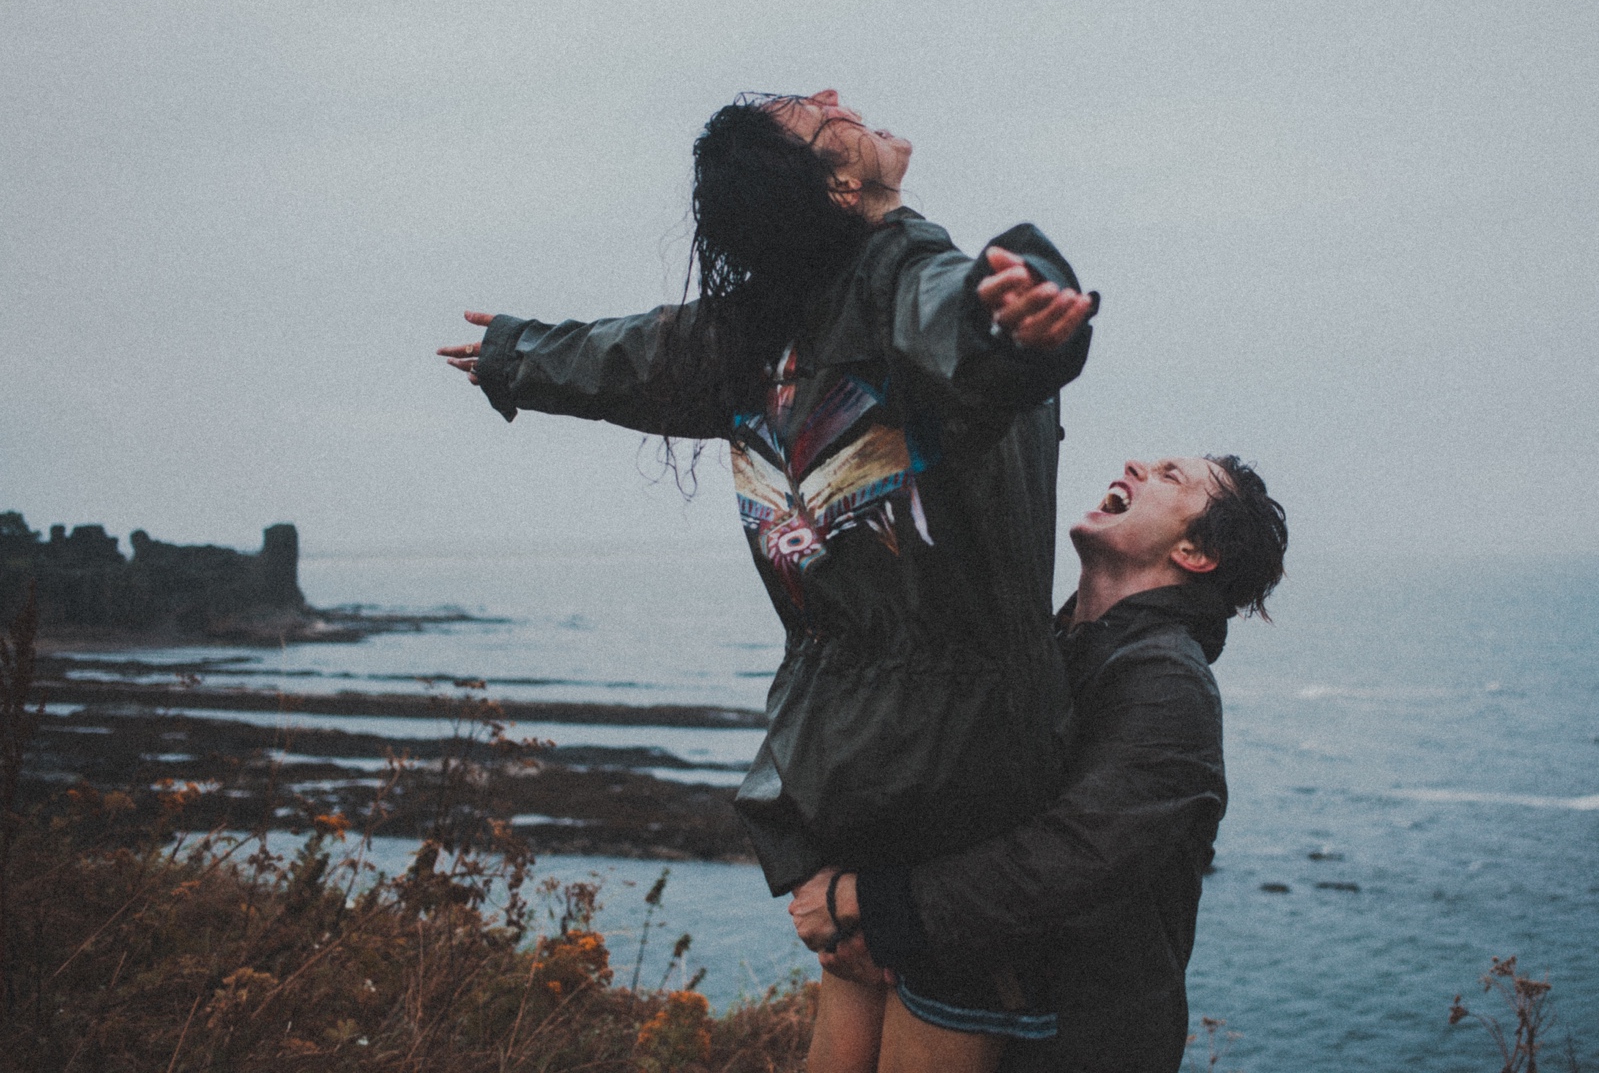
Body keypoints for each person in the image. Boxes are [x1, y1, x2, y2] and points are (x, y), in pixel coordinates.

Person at [438, 91, 1097, 1071]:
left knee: (853, 1006)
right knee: (946, 999)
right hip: (960, 765)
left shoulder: (755, 330)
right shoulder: (901, 279)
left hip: (833, 756)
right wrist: (1019, 320)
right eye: (819, 116)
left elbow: (626, 355)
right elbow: (958, 316)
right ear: (838, 187)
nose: (835, 97)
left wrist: (514, 352)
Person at [788, 454, 1288, 1073]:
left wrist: (871, 903)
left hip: (1076, 1044)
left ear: (1195, 552)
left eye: (1170, 476)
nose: (1135, 464)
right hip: (999, 1005)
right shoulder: (1059, 650)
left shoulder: (1167, 679)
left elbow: (1077, 856)